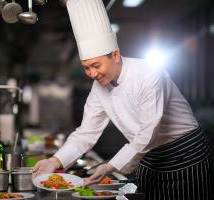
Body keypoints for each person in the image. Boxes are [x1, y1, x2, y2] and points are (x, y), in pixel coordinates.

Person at [32, 0, 212, 199]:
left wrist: (111, 165)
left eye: (96, 65)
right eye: (86, 67)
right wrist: (54, 161)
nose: (92, 73)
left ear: (115, 55)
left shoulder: (148, 73)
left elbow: (148, 131)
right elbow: (86, 133)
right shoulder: (98, 87)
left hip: (184, 153)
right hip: (147, 158)